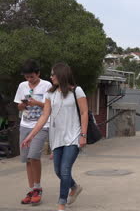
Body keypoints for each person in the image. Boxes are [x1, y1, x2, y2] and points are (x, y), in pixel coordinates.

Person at [21, 63, 88, 211]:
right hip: (56, 138)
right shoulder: (50, 94)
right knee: (58, 171)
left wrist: (83, 135)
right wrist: (30, 136)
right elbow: (44, 116)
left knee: (64, 170)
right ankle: (74, 187)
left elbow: (84, 113)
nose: (51, 77)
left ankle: (61, 204)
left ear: (61, 75)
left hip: (73, 136)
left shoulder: (77, 91)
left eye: (53, 74)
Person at [14, 59, 52, 206]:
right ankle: (31, 189)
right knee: (27, 160)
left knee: (34, 156)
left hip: (42, 125)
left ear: (38, 73)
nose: (29, 79)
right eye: (27, 77)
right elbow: (18, 107)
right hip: (25, 124)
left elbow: (50, 106)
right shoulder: (22, 86)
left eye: (32, 76)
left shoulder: (47, 85)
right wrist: (23, 104)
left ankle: (38, 188)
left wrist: (37, 103)